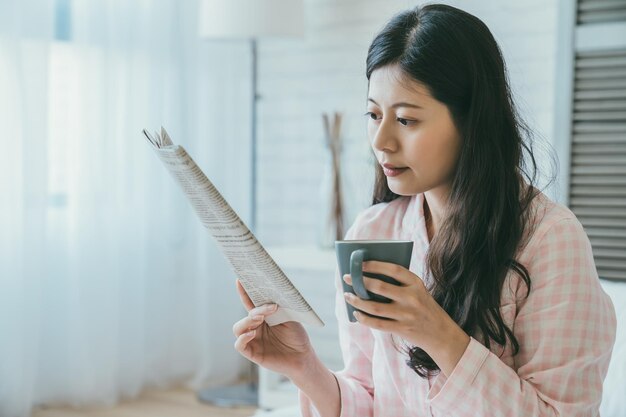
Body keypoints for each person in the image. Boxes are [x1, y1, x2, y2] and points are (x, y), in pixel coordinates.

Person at [232, 4, 617, 416]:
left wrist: (438, 335)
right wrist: (304, 366)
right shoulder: (372, 232)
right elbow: (371, 398)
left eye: (406, 120)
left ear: (471, 122)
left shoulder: (551, 240)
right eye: (374, 114)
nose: (381, 141)